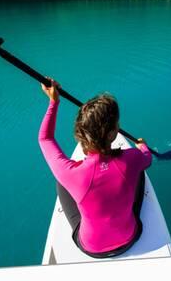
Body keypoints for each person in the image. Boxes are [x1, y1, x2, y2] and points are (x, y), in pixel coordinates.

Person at [38, 77, 152, 258]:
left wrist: (54, 102)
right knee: (139, 172)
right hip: (130, 238)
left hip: (91, 249)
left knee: (61, 182)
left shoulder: (71, 173)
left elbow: (45, 139)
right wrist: (143, 146)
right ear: (113, 133)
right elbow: (148, 158)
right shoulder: (132, 158)